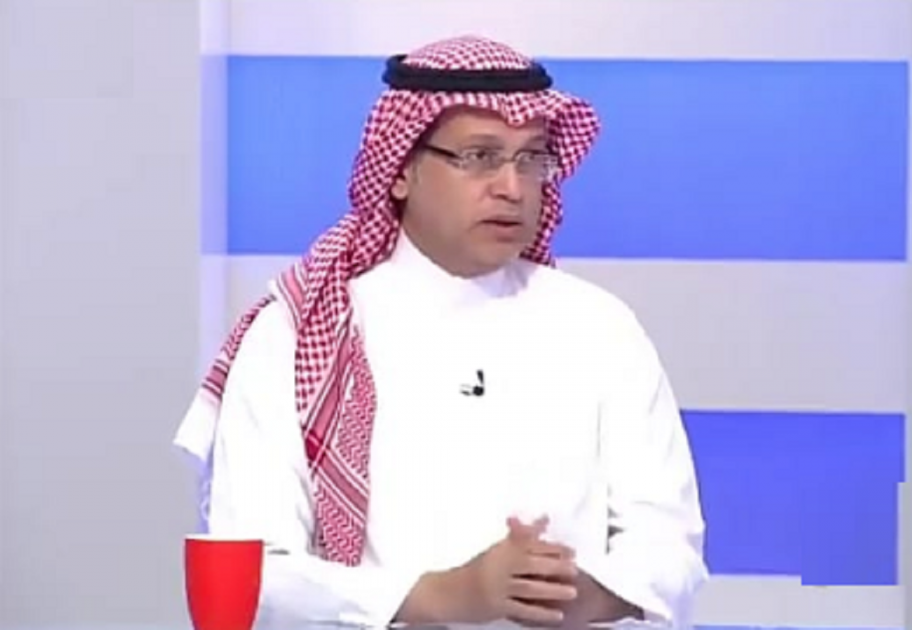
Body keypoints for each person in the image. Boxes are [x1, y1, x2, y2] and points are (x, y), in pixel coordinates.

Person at [174, 35, 707, 629]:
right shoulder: (296, 335)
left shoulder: (599, 327)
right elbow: (254, 572)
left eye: (531, 159)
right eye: (479, 156)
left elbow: (671, 547)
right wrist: (444, 596)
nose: (512, 187)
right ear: (401, 169)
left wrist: (580, 594)